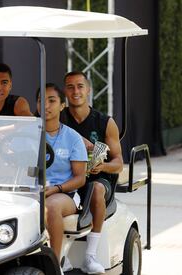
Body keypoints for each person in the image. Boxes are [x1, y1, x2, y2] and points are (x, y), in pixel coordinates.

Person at [61, 71, 124, 274]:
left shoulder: (105, 122)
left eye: (80, 86)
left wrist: (102, 167)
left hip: (96, 180)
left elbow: (119, 163)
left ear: (88, 90)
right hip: (67, 178)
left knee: (96, 189)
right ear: (65, 91)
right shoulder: (58, 118)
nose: (75, 91)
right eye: (70, 87)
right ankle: (60, 255)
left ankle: (90, 256)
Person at [36, 83, 87, 275]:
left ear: (62, 105)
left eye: (52, 100)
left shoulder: (72, 137)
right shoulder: (29, 133)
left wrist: (56, 188)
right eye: (41, 101)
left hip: (65, 193)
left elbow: (80, 178)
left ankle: (54, 266)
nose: (46, 106)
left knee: (51, 207)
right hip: (34, 190)